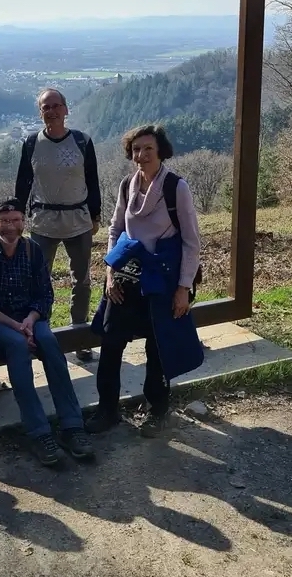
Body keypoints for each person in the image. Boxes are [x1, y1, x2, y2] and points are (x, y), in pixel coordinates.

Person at [87, 124, 204, 438]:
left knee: (158, 346)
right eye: (136, 149)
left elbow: (191, 242)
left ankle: (157, 412)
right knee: (111, 341)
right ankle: (107, 410)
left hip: (162, 279)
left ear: (160, 151)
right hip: (127, 275)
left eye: (148, 148)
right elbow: (115, 230)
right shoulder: (127, 185)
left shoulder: (176, 187)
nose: (141, 155)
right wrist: (110, 273)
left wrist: (183, 289)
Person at [0, 197, 94, 466]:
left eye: (16, 220)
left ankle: (72, 426)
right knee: (17, 346)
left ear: (23, 221)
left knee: (48, 341)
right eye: (5, 221)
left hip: (29, 318)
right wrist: (16, 326)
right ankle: (38, 433)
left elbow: (45, 295)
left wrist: (30, 319)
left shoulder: (32, 250)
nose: (11, 226)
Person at [14, 88, 102, 363]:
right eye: (45, 107)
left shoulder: (82, 141)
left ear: (65, 109)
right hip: (43, 221)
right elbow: (23, 182)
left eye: (55, 105)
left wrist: (95, 215)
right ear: (40, 112)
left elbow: (92, 180)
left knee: (82, 281)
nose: (51, 111)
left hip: (78, 219)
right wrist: (17, 216)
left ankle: (80, 337)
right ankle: (42, 337)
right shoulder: (31, 143)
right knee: (39, 282)